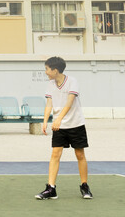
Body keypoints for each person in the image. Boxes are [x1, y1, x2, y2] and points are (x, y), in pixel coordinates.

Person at [36, 56, 92, 200]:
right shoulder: (50, 84)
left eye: (47, 69)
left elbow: (70, 102)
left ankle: (84, 186)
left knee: (80, 154)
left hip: (75, 124)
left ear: (55, 70)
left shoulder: (72, 81)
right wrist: (45, 121)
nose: (46, 72)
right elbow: (49, 103)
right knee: (55, 154)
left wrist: (59, 119)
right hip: (58, 126)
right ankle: (51, 188)